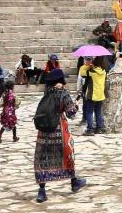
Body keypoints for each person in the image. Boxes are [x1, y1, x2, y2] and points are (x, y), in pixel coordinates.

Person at [34, 69, 86, 203]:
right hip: (59, 129)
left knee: (43, 158)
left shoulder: (47, 92)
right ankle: (74, 182)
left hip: (44, 131)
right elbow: (71, 113)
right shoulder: (63, 93)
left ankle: (42, 191)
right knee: (67, 153)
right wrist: (76, 105)